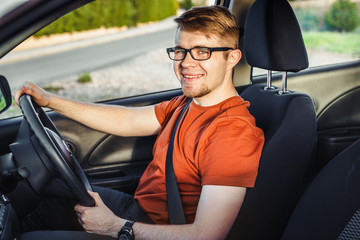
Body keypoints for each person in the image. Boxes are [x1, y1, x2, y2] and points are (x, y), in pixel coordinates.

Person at [15, 5, 264, 240]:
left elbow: (205, 235)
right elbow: (128, 119)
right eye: (180, 51)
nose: (186, 63)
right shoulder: (186, 103)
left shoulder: (232, 132)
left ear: (232, 58)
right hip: (136, 210)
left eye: (202, 52)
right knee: (42, 200)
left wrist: (115, 226)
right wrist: (50, 100)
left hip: (152, 230)